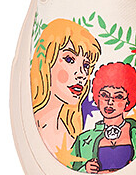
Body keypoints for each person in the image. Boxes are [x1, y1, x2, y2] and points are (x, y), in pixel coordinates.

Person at [31, 19, 101, 163]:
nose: (82, 74)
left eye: (86, 65)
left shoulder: (71, 133)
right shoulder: (38, 125)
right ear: (47, 60)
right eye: (69, 59)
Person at [71, 63, 136, 173]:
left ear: (128, 101)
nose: (110, 102)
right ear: (97, 98)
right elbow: (70, 170)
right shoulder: (83, 139)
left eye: (118, 96)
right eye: (104, 95)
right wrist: (85, 169)